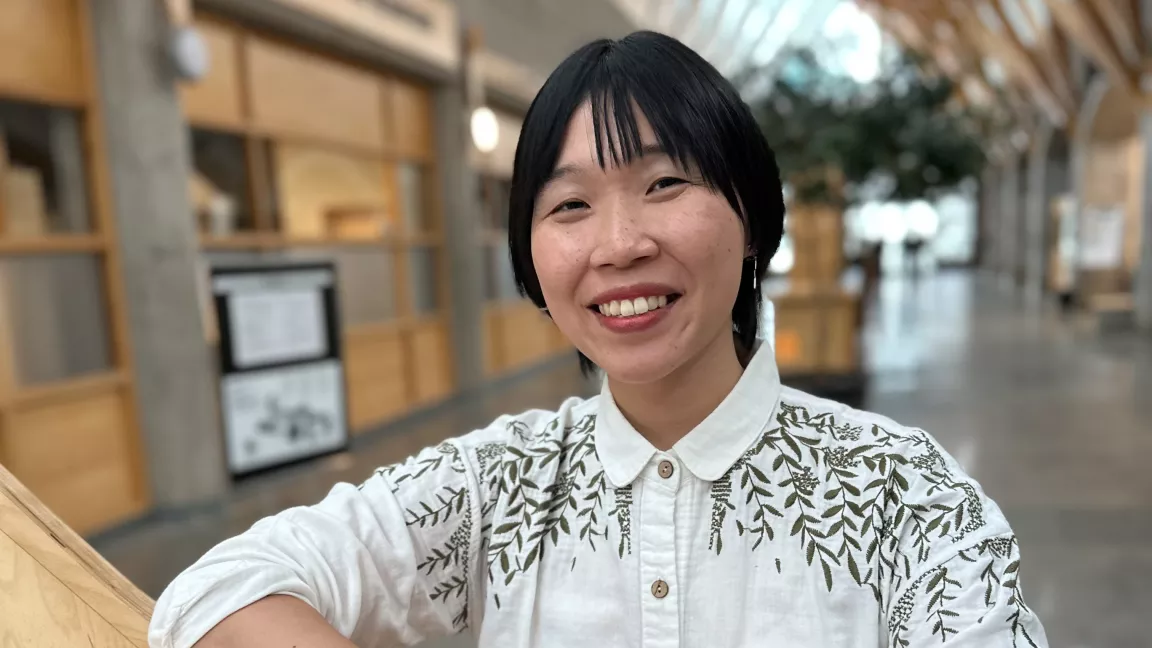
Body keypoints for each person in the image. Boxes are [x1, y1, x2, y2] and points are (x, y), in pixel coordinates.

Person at [149, 32, 1047, 648]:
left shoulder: (903, 494)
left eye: (664, 184)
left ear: (752, 220)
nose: (619, 246)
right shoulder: (496, 488)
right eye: (569, 204)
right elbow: (216, 591)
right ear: (534, 261)